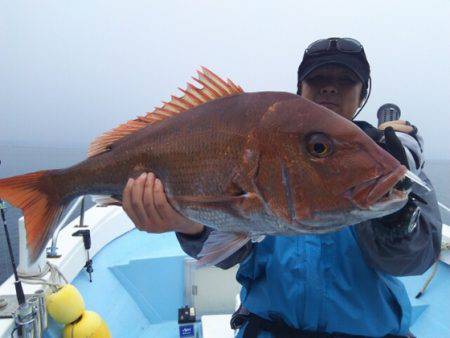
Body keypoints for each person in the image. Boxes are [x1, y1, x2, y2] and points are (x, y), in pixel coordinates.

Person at [121, 37, 442, 337]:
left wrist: (396, 211)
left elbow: (414, 260)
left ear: (363, 95)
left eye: (346, 80)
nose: (330, 88)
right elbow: (230, 254)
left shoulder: (389, 161)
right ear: (300, 88)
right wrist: (190, 228)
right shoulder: (266, 145)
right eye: (318, 79)